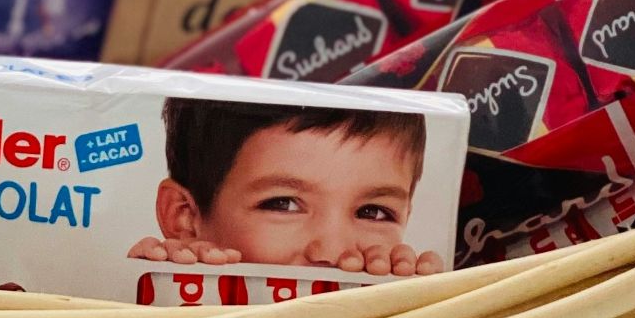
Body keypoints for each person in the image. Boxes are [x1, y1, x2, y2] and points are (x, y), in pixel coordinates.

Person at [128, 98, 445, 276]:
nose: (333, 253)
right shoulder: (162, 288)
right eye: (283, 204)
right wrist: (148, 292)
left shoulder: (403, 297)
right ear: (184, 216)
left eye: (372, 212)